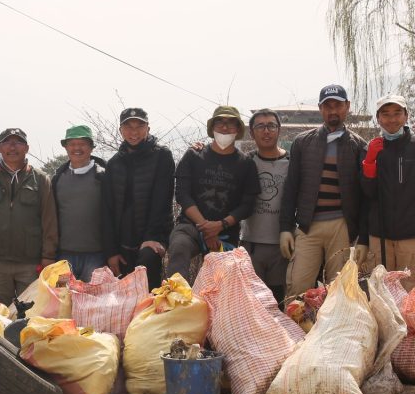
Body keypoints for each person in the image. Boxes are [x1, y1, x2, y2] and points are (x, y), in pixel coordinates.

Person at [279, 84, 370, 298]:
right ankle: (295, 331)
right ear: (321, 109)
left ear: (347, 107)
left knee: (338, 290)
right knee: (298, 286)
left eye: (337, 105)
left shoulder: (358, 146)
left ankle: (333, 331)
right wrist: (285, 227)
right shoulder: (303, 142)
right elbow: (291, 186)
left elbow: (366, 198)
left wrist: (363, 238)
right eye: (327, 106)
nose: (333, 111)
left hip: (341, 226)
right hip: (308, 226)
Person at [361, 94, 415, 289]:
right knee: (381, 295)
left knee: (411, 294)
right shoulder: (371, 149)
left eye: (397, 113)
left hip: (412, 235)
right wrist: (369, 163)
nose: (392, 119)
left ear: (406, 116)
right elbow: (367, 194)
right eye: (386, 114)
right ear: (378, 118)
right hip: (379, 236)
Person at [166, 105, 260, 282]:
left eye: (231, 123)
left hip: (226, 232)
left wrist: (220, 225)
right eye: (219, 123)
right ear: (212, 127)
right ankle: (176, 299)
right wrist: (206, 227)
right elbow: (182, 195)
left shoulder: (246, 164)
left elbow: (247, 205)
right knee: (179, 248)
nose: (224, 128)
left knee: (224, 279)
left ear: (238, 129)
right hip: (190, 226)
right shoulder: (194, 155)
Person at [0, 128, 57, 305]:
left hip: (31, 263)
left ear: (27, 148)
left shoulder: (41, 180)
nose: (13, 147)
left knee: (30, 315)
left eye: (18, 142)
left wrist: (48, 257)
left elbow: (50, 221)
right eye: (7, 142)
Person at [103, 108, 175, 291]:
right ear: (121, 130)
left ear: (148, 129)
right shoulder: (113, 164)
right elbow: (108, 209)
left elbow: (162, 201)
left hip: (152, 237)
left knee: (149, 291)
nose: (134, 132)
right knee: (122, 299)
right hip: (123, 241)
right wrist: (111, 251)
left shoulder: (162, 156)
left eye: (139, 126)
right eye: (128, 127)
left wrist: (151, 238)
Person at [240, 108, 290, 304]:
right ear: (251, 133)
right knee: (253, 302)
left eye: (271, 126)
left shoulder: (292, 162)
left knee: (278, 301)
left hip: (282, 247)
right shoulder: (245, 162)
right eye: (260, 126)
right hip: (251, 245)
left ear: (279, 130)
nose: (266, 131)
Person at [51, 125, 112, 282]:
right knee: (63, 303)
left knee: (91, 303)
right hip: (63, 256)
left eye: (82, 144)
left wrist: (112, 252)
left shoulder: (104, 177)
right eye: (72, 144)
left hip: (96, 256)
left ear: (91, 147)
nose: (77, 148)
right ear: (66, 147)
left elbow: (114, 215)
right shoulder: (57, 178)